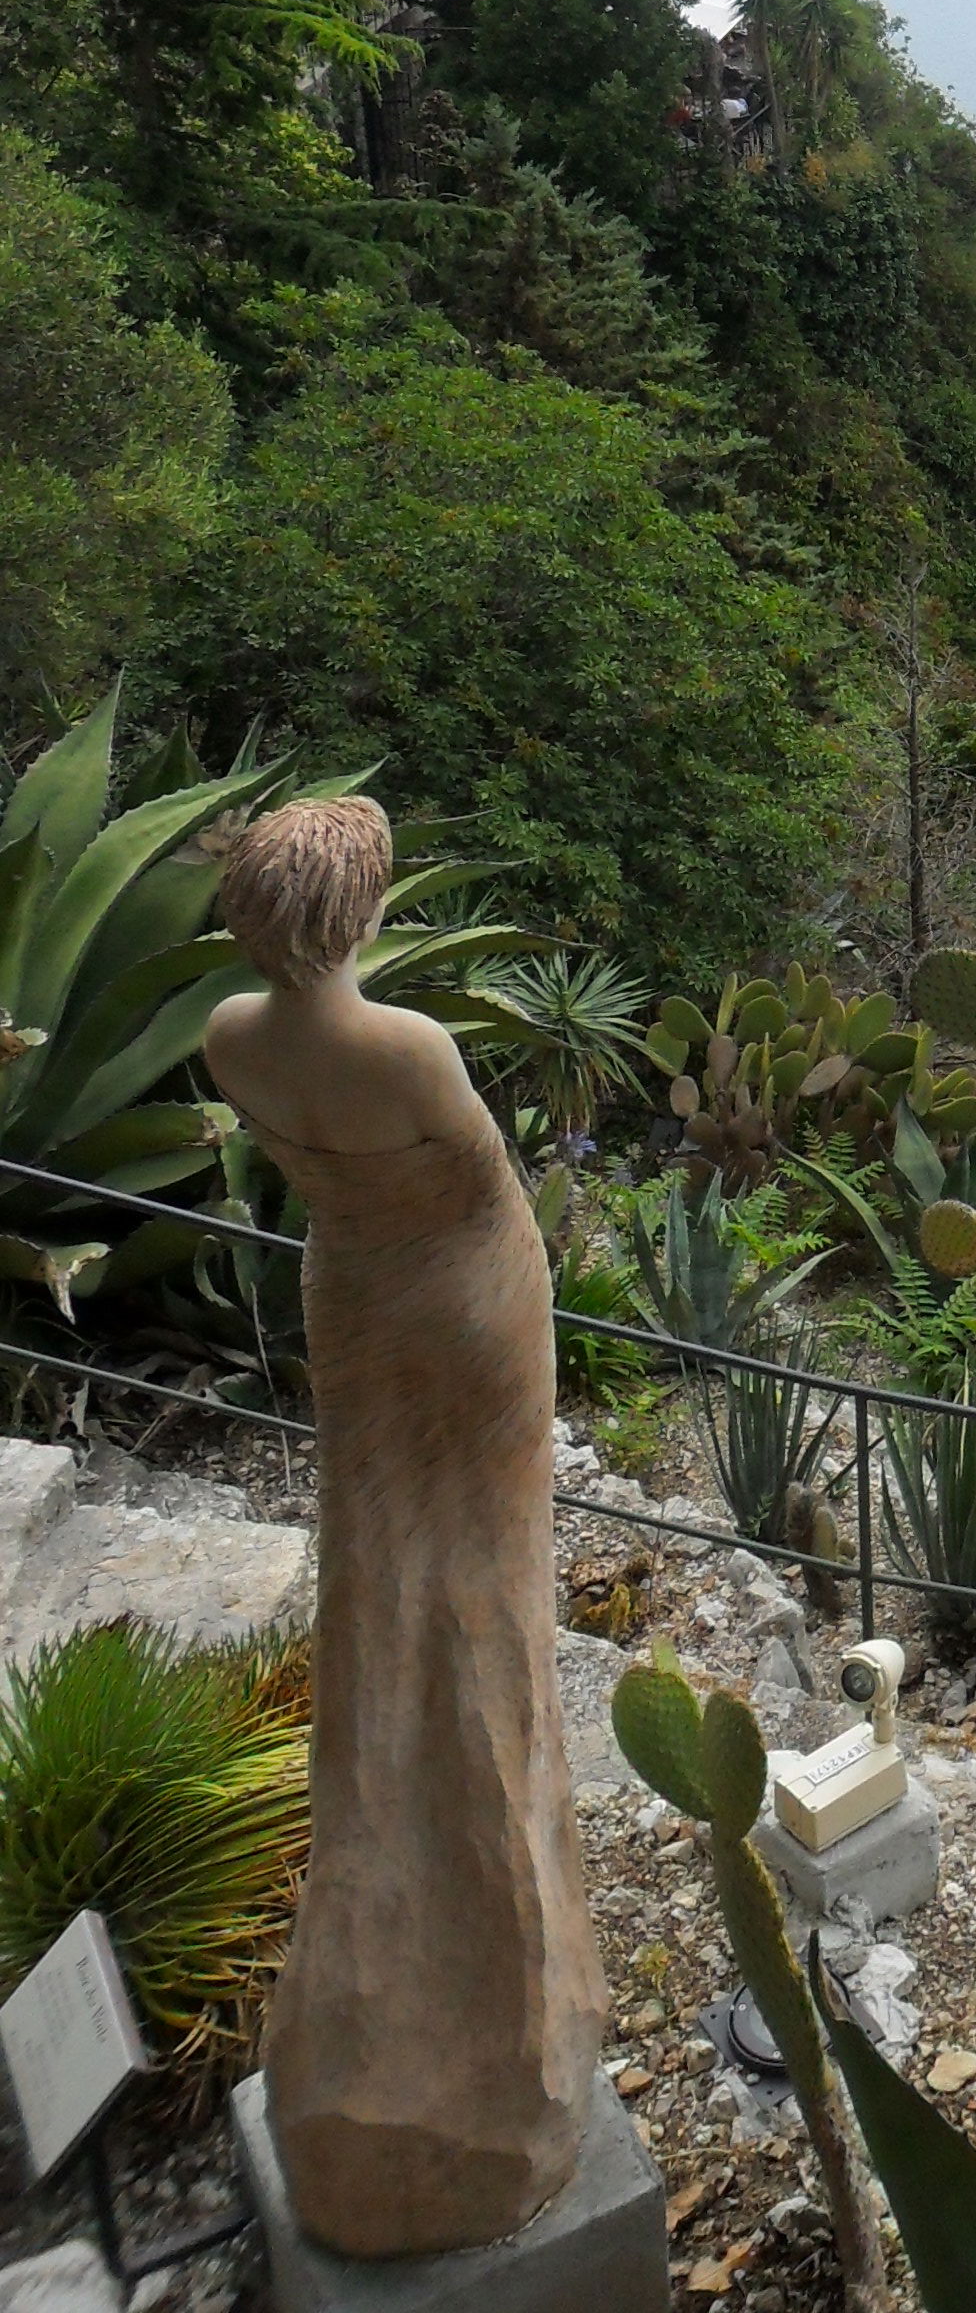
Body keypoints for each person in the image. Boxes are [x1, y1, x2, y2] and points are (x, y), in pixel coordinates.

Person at [204, 799, 606, 2256]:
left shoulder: (232, 1041)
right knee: (488, 1590)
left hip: (356, 1300)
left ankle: (374, 1980)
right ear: (354, 915)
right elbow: (488, 1179)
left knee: (377, 1586)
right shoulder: (412, 1047)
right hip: (468, 1303)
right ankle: (500, 1984)